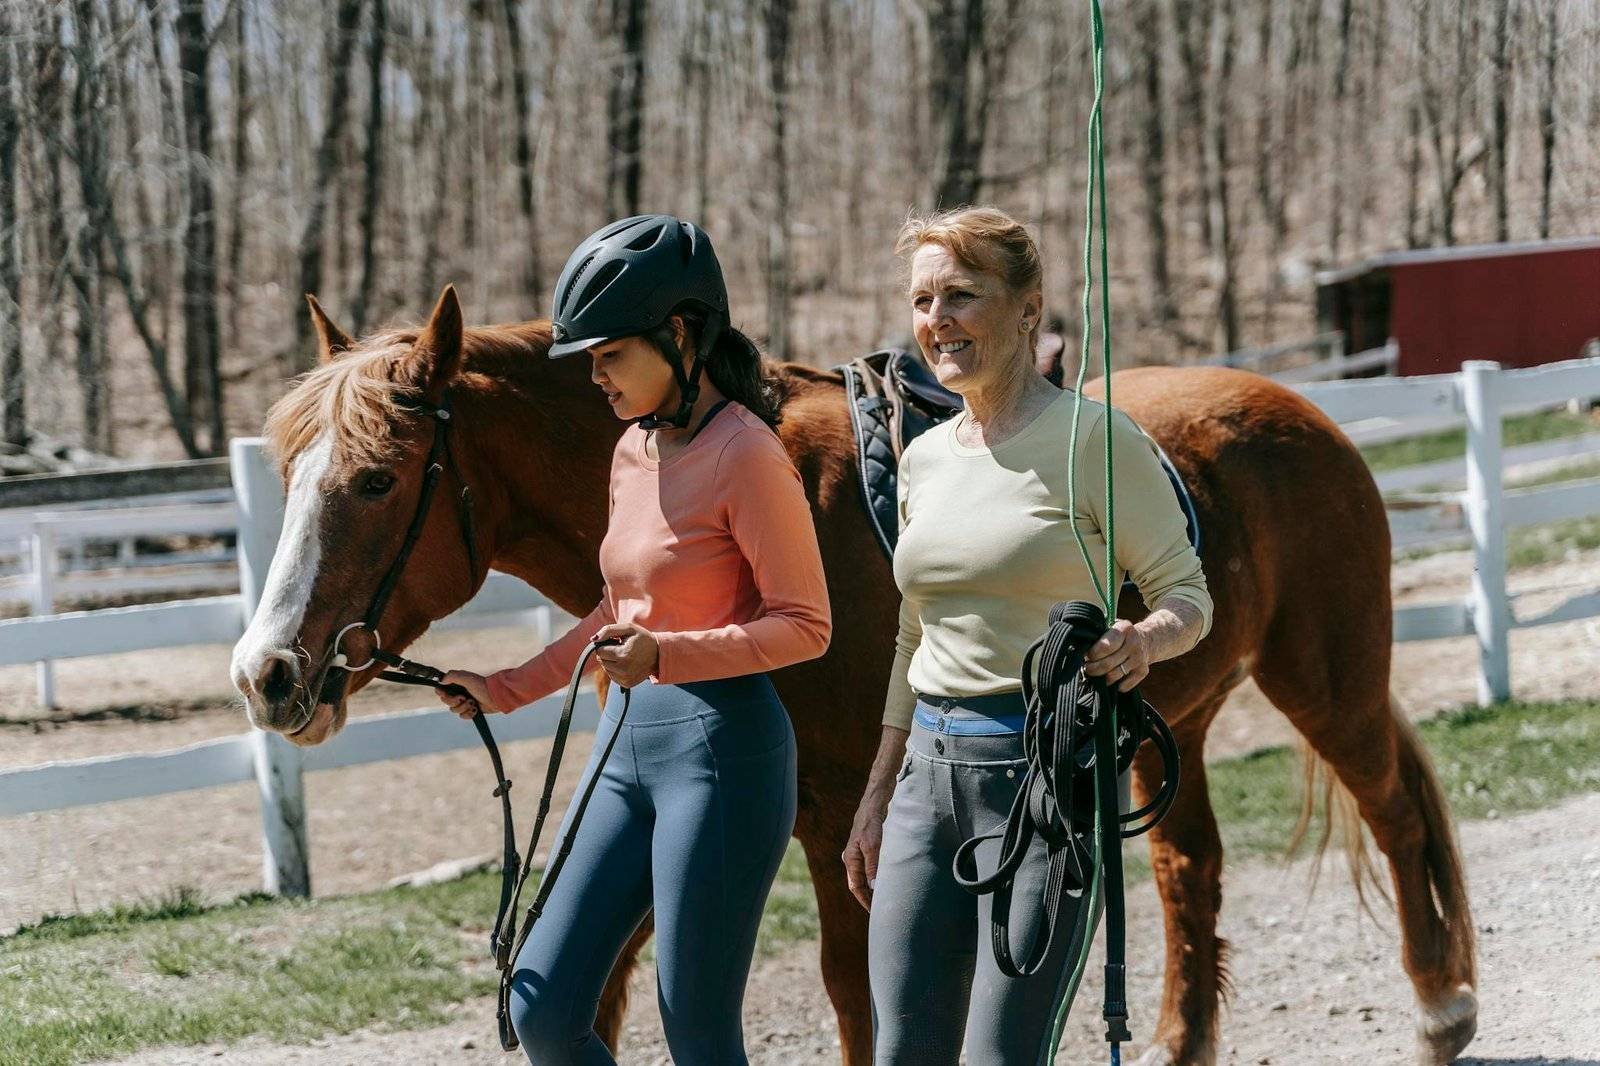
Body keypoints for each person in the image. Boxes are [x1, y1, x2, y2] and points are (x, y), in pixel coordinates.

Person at [434, 214, 831, 1065]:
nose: (595, 376)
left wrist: (669, 656)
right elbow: (613, 611)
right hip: (625, 748)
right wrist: (500, 687)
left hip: (724, 758)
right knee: (540, 1003)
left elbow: (806, 627)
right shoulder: (632, 451)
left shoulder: (748, 454)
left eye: (611, 354)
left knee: (697, 1029)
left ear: (680, 335)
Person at [841, 206, 1213, 1065]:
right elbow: (914, 636)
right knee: (900, 1050)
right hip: (924, 785)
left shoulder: (1096, 442)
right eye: (923, 299)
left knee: (1001, 1058)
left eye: (962, 295)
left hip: (1045, 779)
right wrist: (876, 795)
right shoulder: (926, 456)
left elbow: (1187, 595)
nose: (939, 319)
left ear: (1027, 308)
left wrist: (1143, 639)